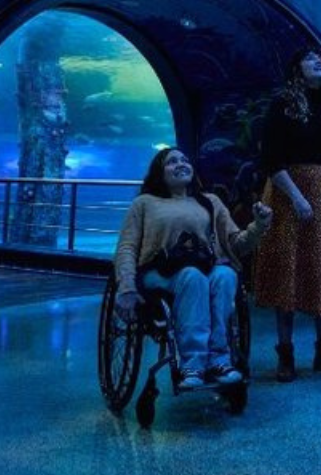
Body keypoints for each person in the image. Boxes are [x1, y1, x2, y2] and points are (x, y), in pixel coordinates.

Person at [114, 147, 272, 389]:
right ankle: (193, 364)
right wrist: (125, 287)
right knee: (192, 276)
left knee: (226, 274)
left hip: (203, 268)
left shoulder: (210, 202)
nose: (181, 164)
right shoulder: (144, 203)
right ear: (159, 172)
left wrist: (259, 225)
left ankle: (219, 359)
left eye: (185, 160)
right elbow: (127, 247)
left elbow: (237, 245)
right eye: (172, 162)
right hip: (158, 274)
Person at [253, 46, 321, 381]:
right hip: (287, 193)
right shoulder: (282, 103)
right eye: (312, 59)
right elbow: (271, 160)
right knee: (288, 268)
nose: (320, 62)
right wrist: (297, 197)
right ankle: (286, 352)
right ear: (297, 68)